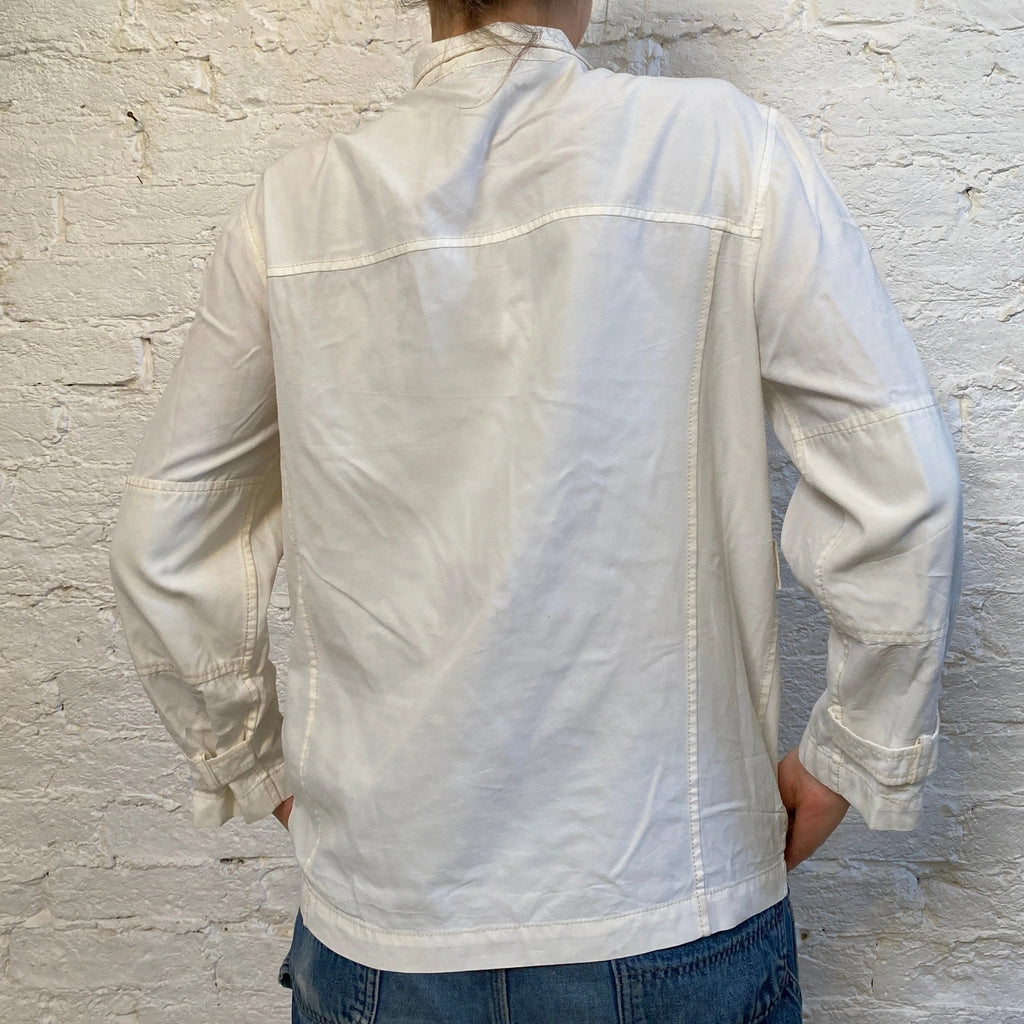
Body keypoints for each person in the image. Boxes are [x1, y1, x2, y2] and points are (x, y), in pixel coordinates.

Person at [108, 0, 963, 1019]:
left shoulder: (292, 210)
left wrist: (255, 765)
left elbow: (165, 538)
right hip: (670, 902)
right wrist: (852, 753)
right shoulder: (727, 155)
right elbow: (901, 483)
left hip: (388, 925)